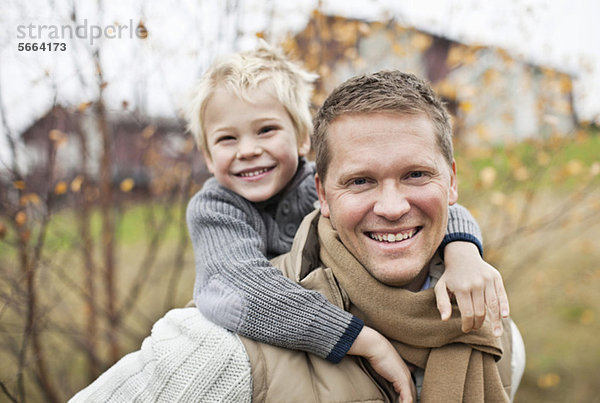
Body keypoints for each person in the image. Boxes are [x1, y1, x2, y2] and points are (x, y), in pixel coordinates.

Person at [70, 69, 525, 403]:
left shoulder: (496, 332)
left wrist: (466, 252)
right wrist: (357, 338)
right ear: (322, 194)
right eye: (361, 182)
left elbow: (445, 214)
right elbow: (231, 285)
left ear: (451, 182)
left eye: (416, 174)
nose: (391, 207)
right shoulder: (214, 354)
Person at [183, 41, 508, 379]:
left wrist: (465, 253)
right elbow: (238, 289)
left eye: (266, 130)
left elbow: (435, 206)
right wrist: (359, 338)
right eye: (226, 139)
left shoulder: (325, 183)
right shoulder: (215, 210)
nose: (248, 150)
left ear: (302, 138)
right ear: (207, 155)